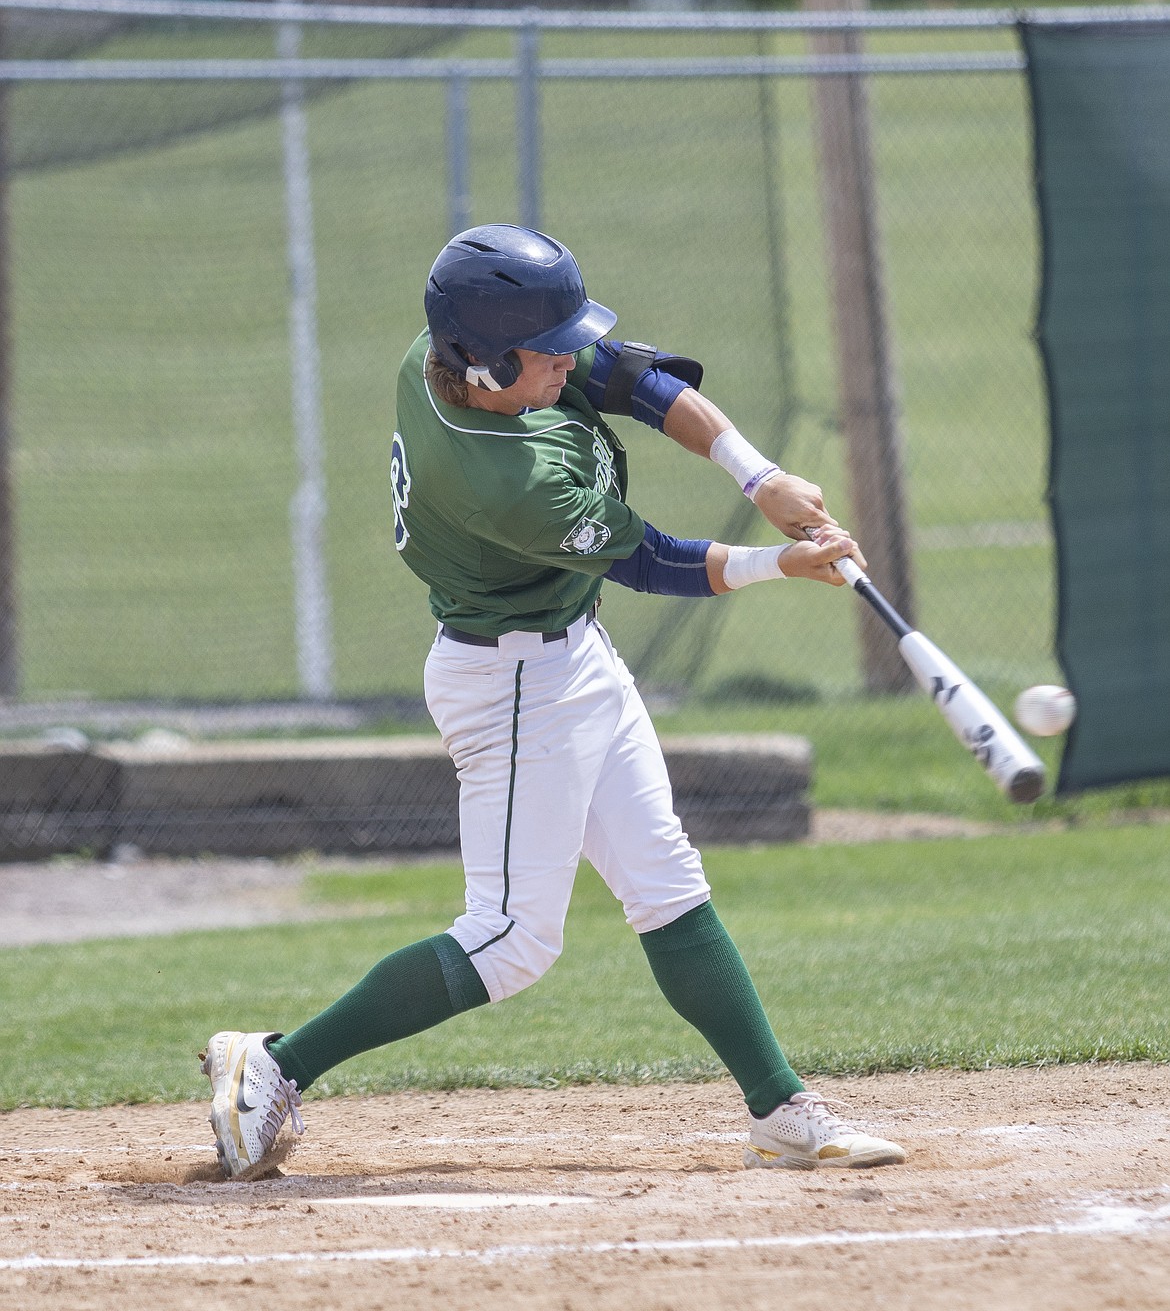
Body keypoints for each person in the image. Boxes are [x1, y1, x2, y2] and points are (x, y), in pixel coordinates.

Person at [200, 225, 906, 1178]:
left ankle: (780, 1109)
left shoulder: (446, 356)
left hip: (573, 655)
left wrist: (761, 476)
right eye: (549, 344)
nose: (571, 354)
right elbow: (653, 559)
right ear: (487, 358)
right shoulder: (511, 481)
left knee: (665, 879)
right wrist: (785, 561)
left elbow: (629, 377)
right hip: (516, 682)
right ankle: (275, 1065)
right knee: (511, 938)